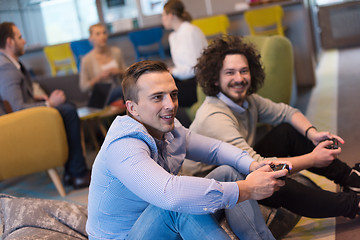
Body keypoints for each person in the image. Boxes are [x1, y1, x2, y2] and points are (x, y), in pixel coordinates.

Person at [86, 60, 291, 240]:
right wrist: (247, 189)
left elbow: (214, 149)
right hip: (127, 236)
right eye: (157, 97)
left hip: (160, 227)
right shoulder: (124, 145)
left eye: (173, 95)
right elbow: (171, 195)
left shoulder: (168, 128)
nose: (170, 105)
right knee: (177, 207)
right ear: (132, 108)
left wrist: (254, 165)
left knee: (228, 173)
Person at [183, 35, 360, 219]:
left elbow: (286, 113)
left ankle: (351, 179)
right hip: (215, 186)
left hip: (242, 163)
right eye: (230, 72)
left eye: (244, 71)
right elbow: (260, 167)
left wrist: (312, 133)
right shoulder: (214, 117)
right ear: (215, 80)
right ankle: (354, 205)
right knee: (274, 181)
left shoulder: (248, 100)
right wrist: (312, 159)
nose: (239, 78)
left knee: (286, 132)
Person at [0, 22, 90, 189]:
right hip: (12, 129)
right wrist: (49, 103)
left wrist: (35, 98)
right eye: (20, 37)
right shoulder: (6, 68)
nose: (24, 41)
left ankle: (74, 171)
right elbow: (17, 109)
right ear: (10, 42)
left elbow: (13, 99)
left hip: (19, 121)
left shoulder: (9, 64)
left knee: (67, 107)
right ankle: (76, 173)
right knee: (68, 110)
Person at [162, 0, 208, 108]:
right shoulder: (173, 36)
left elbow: (194, 69)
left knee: (163, 98)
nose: (162, 19)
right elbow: (183, 66)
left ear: (171, 15)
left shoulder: (190, 31)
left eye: (163, 15)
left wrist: (173, 71)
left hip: (197, 82)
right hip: (184, 79)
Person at [79, 23, 126, 104]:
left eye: (104, 33)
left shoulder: (116, 52)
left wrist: (118, 71)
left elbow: (127, 73)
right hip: (100, 96)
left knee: (124, 88)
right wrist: (99, 77)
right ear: (91, 38)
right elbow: (83, 87)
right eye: (98, 34)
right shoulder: (86, 59)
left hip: (118, 92)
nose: (102, 36)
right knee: (123, 89)